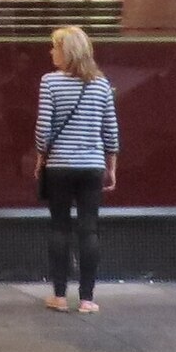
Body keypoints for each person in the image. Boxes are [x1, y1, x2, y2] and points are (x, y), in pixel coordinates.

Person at [34, 24, 120, 315]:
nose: (51, 52)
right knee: (89, 229)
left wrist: (40, 158)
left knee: (59, 227)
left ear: (67, 51)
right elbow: (110, 131)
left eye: (55, 47)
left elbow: (43, 130)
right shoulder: (101, 84)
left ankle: (59, 295)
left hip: (59, 166)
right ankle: (87, 298)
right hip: (92, 167)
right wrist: (111, 167)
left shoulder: (50, 82)